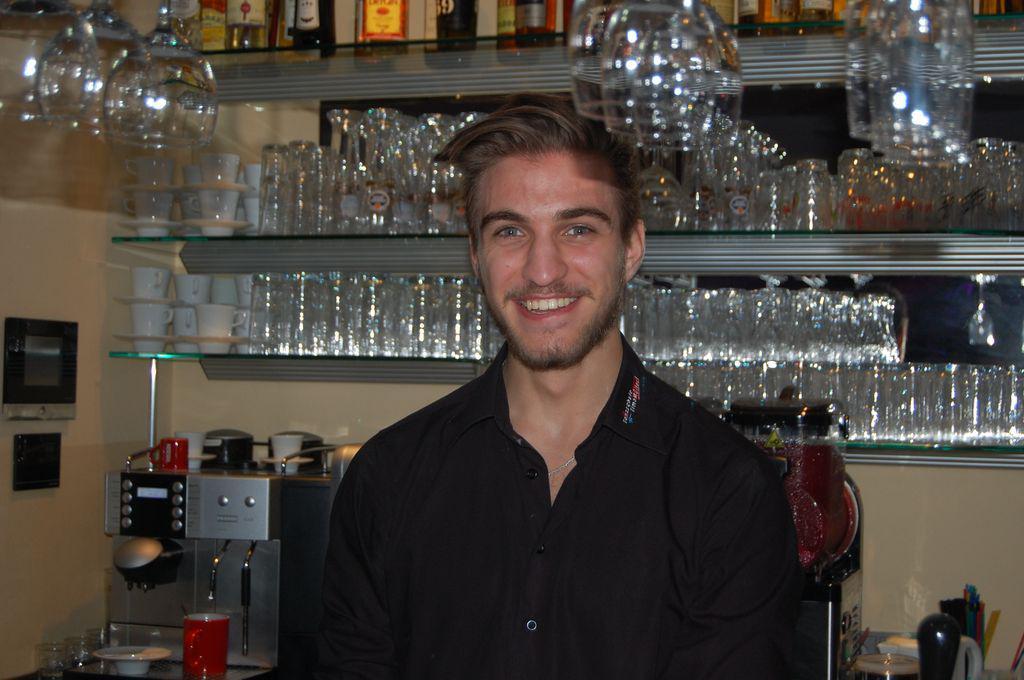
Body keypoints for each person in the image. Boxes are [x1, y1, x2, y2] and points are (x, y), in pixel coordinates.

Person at [316, 93, 802, 680]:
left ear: (631, 249)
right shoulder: (387, 479)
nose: (542, 270)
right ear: (476, 256)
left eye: (577, 229)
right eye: (509, 231)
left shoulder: (728, 492)